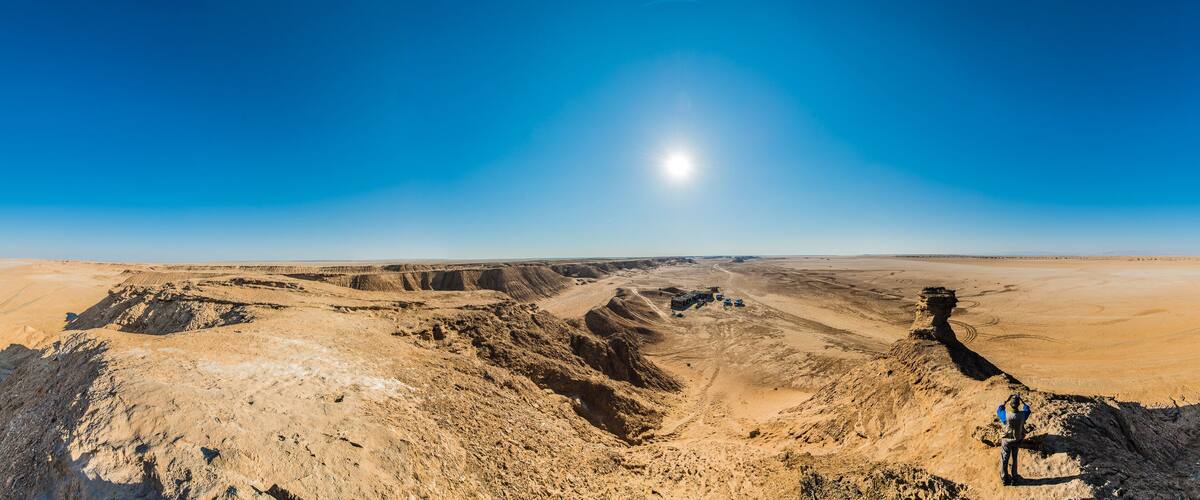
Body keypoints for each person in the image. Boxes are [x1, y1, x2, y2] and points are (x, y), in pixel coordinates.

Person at [997, 394, 1031, 485]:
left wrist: (1005, 401)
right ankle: (1014, 478)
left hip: (1007, 440)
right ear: (1018, 404)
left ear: (1010, 404)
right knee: (1014, 458)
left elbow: (999, 409)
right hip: (1017, 439)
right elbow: (1027, 409)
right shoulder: (1023, 415)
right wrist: (1022, 400)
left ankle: (1004, 479)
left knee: (1004, 458)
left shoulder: (1005, 415)